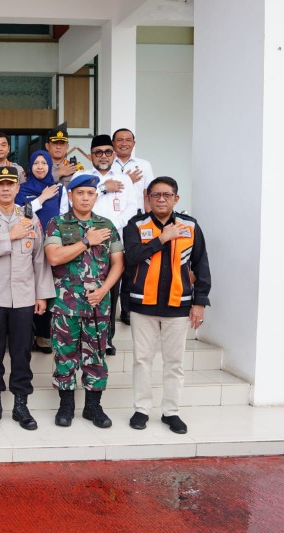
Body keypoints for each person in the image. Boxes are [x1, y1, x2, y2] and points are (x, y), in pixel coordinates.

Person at [123, 176, 211, 435]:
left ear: (176, 198)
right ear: (148, 198)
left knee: (174, 362)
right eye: (156, 195)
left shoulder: (190, 226)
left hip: (178, 305)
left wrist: (200, 302)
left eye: (167, 195)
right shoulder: (136, 225)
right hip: (143, 304)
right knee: (142, 360)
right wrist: (162, 238)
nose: (161, 199)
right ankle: (141, 409)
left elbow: (201, 264)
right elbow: (131, 258)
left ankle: (171, 412)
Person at [0, 167, 55, 430]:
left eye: (10, 184)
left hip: (24, 297)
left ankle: (21, 405)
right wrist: (10, 236)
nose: (6, 188)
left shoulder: (30, 218)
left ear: (18, 188)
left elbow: (39, 258)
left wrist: (42, 294)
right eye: (0, 184)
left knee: (22, 354)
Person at [44, 174, 125, 429]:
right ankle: (66, 406)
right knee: (64, 355)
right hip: (66, 304)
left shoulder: (106, 225)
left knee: (96, 356)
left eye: (90, 193)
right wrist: (86, 241)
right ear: (70, 196)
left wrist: (104, 290)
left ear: (96, 196)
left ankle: (93, 407)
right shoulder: (57, 223)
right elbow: (54, 257)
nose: (85, 198)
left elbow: (118, 262)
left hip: (97, 304)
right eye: (80, 193)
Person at [62, 135, 137, 355]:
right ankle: (78, 338)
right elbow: (70, 205)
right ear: (90, 155)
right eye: (98, 152)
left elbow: (132, 208)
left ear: (114, 154)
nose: (103, 156)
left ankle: (107, 339)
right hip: (82, 243)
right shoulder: (80, 176)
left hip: (112, 244)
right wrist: (103, 187)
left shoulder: (125, 179)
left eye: (107, 152)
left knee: (110, 293)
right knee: (79, 291)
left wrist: (109, 228)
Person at [15, 150, 63, 354]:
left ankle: (43, 336)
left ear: (50, 166)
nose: (40, 167)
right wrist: (41, 198)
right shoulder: (22, 189)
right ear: (30, 166)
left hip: (51, 246)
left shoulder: (59, 189)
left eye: (44, 163)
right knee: (28, 290)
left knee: (46, 291)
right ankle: (27, 336)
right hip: (27, 245)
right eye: (36, 163)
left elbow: (63, 216)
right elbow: (20, 213)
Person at [112, 127, 156, 325]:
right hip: (113, 221)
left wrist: (150, 219)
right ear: (113, 143)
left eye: (128, 140)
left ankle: (127, 310)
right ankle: (109, 309)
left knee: (132, 264)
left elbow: (148, 193)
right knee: (112, 263)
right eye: (119, 140)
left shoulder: (144, 165)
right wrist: (126, 179)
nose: (124, 143)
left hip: (135, 222)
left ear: (134, 143)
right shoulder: (107, 165)